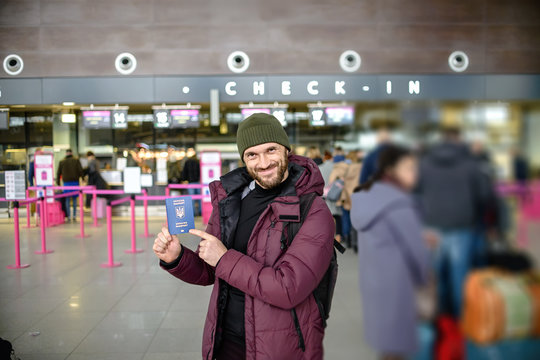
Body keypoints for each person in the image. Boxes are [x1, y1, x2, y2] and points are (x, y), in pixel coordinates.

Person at [153, 113, 335, 360]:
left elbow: (288, 287)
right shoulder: (232, 200)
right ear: (244, 159)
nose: (263, 162)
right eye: (252, 154)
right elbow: (211, 271)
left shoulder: (312, 209)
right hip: (226, 340)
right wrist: (177, 258)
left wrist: (224, 258)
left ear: (286, 150)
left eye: (271, 150)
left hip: (280, 346)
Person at [351, 145, 430, 360]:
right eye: (408, 168)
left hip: (373, 279)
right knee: (400, 343)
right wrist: (425, 281)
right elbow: (417, 252)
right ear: (390, 170)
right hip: (399, 282)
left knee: (387, 341)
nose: (414, 174)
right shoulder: (399, 203)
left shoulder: (365, 196)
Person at [416, 126, 489, 317]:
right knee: (460, 275)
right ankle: (461, 321)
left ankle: (438, 320)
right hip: (462, 225)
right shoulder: (471, 164)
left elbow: (415, 192)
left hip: (432, 225)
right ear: (459, 139)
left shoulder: (424, 163)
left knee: (435, 276)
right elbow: (484, 195)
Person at [56, 149, 84, 222]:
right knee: (74, 200)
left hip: (66, 183)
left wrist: (58, 183)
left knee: (67, 200)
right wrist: (83, 178)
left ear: (66, 153)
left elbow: (58, 173)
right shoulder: (76, 160)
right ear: (72, 153)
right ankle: (74, 216)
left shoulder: (62, 161)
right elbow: (80, 171)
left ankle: (68, 216)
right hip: (75, 182)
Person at [181, 147, 201, 216]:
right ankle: (200, 212)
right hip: (198, 182)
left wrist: (184, 180)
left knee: (192, 199)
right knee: (200, 198)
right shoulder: (197, 161)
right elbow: (200, 171)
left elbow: (184, 172)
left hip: (191, 182)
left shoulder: (187, 162)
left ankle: (193, 213)